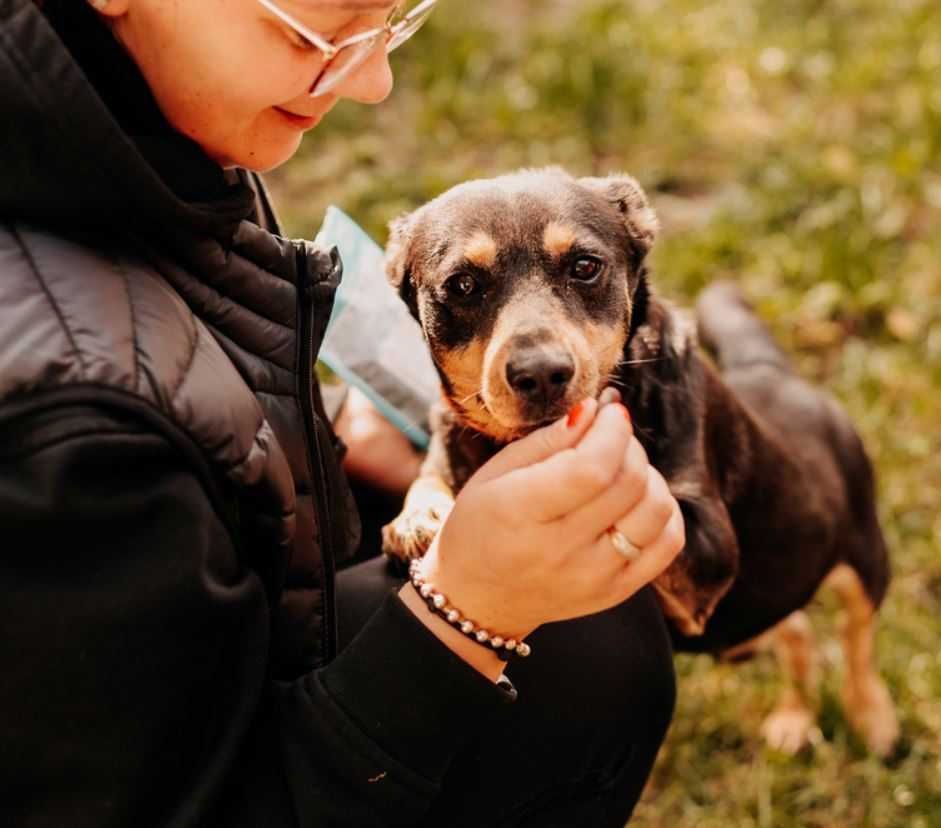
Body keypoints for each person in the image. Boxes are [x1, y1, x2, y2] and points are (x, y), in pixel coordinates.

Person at [0, 0, 685, 825]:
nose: (372, 80)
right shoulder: (65, 422)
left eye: (390, 21)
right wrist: (465, 610)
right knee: (590, 652)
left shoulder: (135, 129)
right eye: (317, 30)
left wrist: (322, 449)